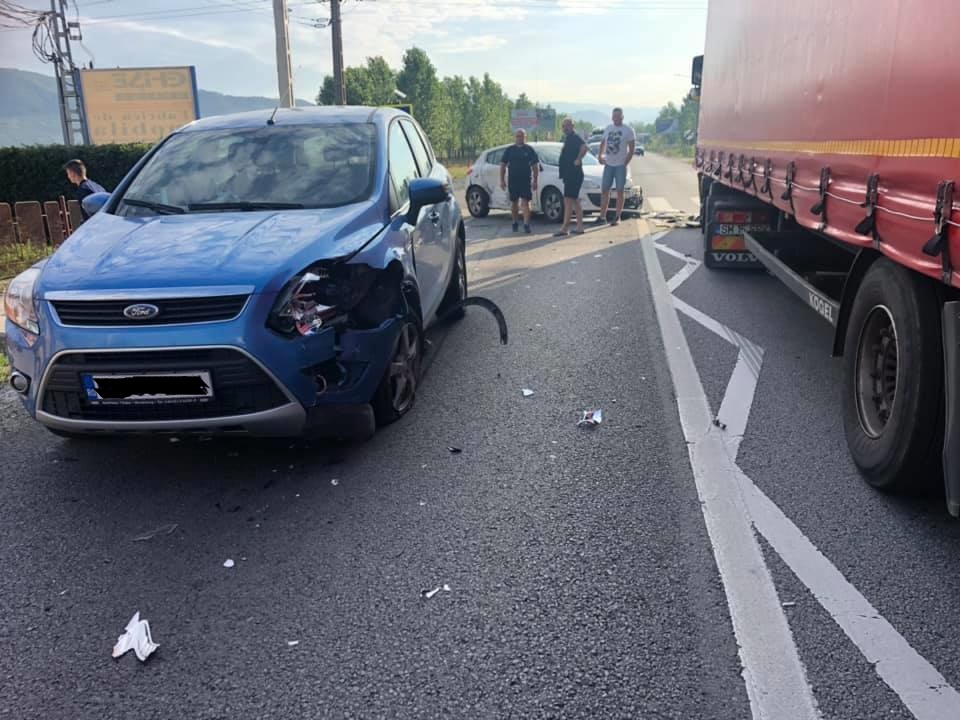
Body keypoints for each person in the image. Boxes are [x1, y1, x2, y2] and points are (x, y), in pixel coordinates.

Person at [595, 107, 636, 226]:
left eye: (618, 116)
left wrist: (625, 163)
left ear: (622, 117)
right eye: (614, 116)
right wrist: (600, 156)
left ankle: (617, 216)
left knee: (619, 191)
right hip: (609, 164)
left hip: (620, 166)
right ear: (612, 117)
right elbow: (603, 143)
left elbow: (632, 149)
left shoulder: (628, 130)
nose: (616, 118)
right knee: (605, 190)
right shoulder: (608, 128)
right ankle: (602, 216)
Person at [499, 129, 539, 233]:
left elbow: (535, 166)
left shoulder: (529, 150)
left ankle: (526, 224)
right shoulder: (510, 150)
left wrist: (535, 180)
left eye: (522, 136)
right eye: (518, 136)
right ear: (515, 137)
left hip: (525, 180)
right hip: (513, 180)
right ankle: (515, 222)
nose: (519, 138)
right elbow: (503, 165)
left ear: (525, 137)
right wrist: (502, 180)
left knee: (526, 201)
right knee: (514, 202)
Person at [554, 117, 587, 237]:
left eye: (567, 125)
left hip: (574, 174)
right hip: (569, 174)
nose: (565, 128)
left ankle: (565, 228)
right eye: (563, 126)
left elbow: (584, 147)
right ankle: (580, 227)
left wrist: (578, 159)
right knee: (573, 200)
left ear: (572, 126)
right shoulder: (567, 138)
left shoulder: (575, 137)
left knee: (568, 200)